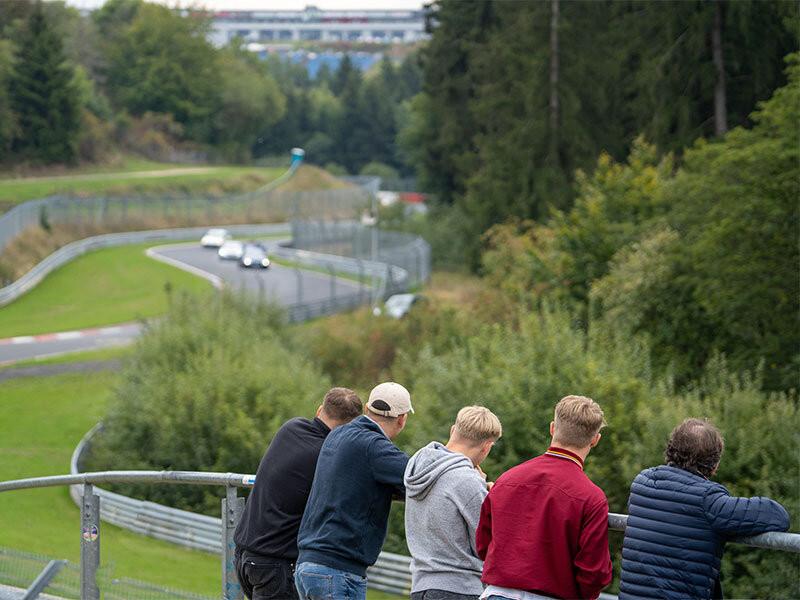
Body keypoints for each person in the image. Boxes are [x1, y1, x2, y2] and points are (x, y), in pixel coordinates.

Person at [618, 418, 791, 600]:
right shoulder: (709, 500)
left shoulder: (642, 483)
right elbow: (779, 516)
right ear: (714, 465)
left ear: (670, 450)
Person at [476, 395, 612, 600]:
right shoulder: (591, 497)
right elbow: (594, 572)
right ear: (595, 440)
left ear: (552, 428)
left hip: (498, 593)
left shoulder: (507, 479)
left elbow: (483, 544)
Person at [233, 387, 363, 600]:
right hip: (275, 563)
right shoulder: (328, 456)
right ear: (351, 426)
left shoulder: (291, 428)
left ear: (320, 409)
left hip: (245, 555)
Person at [294, 381, 413, 600]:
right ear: (402, 419)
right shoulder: (376, 447)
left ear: (367, 409)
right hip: (338, 569)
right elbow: (420, 476)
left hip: (308, 562)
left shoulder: (337, 435)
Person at [404, 406, 503, 600]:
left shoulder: (418, 468)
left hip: (420, 586)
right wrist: (487, 497)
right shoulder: (468, 481)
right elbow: (484, 544)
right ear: (487, 446)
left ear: (452, 430)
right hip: (459, 588)